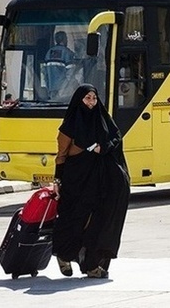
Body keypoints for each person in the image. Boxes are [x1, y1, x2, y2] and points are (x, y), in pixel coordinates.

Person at [52, 84, 130, 279]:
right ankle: (64, 255)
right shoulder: (69, 126)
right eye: (87, 99)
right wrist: (57, 181)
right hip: (76, 180)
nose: (92, 103)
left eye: (94, 98)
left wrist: (102, 148)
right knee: (74, 218)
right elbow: (61, 156)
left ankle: (92, 264)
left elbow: (116, 138)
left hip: (101, 181)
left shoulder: (103, 120)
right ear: (79, 101)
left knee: (100, 220)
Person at [45, 31, 76, 99]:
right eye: (66, 38)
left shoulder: (49, 53)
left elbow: (45, 75)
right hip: (64, 92)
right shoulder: (68, 53)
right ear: (64, 39)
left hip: (52, 91)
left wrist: (49, 89)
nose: (67, 40)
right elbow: (71, 74)